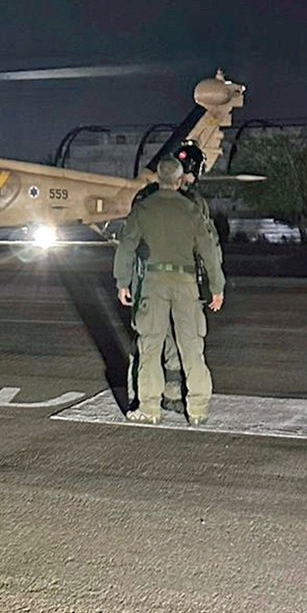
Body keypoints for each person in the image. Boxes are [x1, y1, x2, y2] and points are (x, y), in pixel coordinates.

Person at [114, 155, 224, 425]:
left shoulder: (143, 208)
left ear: (158, 179)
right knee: (192, 346)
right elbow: (209, 250)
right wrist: (216, 287)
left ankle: (149, 408)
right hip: (186, 283)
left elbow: (126, 246)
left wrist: (122, 282)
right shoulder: (192, 209)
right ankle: (198, 408)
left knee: (150, 345)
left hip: (153, 281)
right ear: (179, 180)